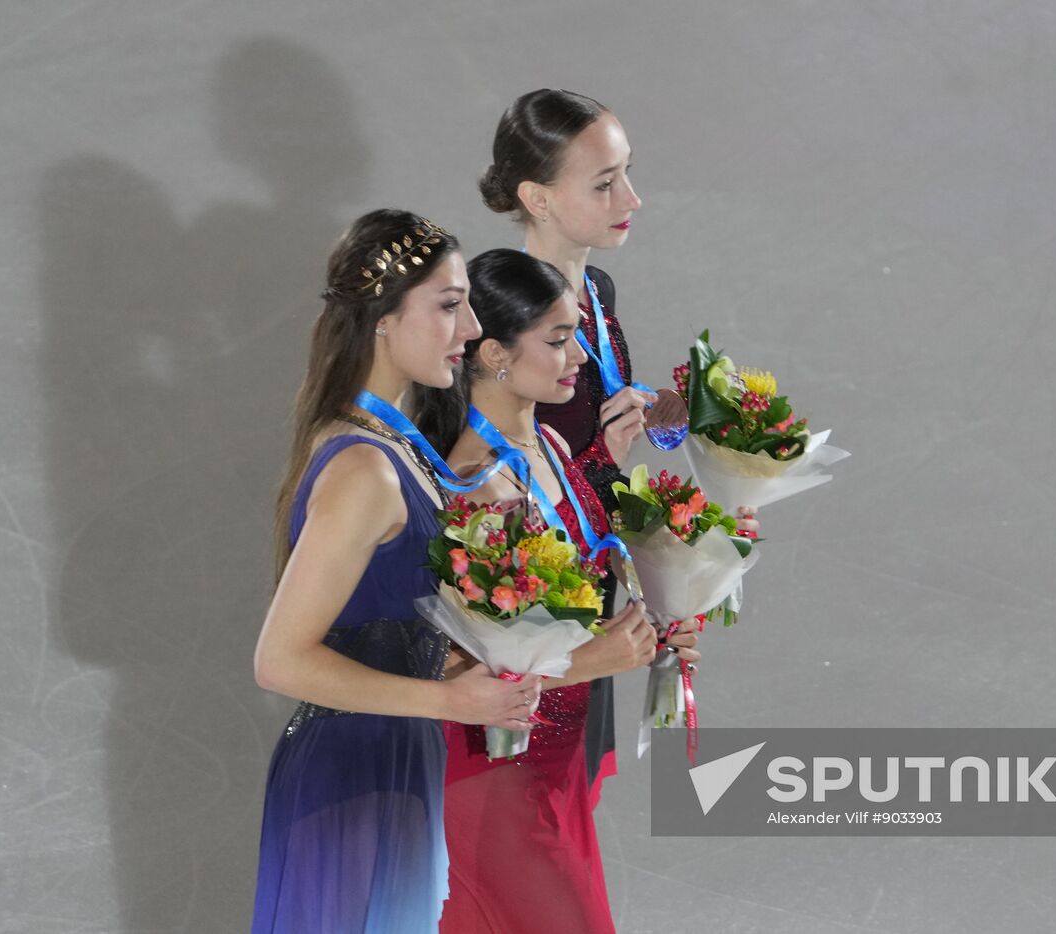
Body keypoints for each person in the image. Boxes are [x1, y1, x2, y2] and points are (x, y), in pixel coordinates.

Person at [249, 210, 541, 934]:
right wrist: (451, 703)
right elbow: (279, 660)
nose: (471, 327)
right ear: (384, 319)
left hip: (394, 767)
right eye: (448, 305)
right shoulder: (365, 469)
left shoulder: (391, 447)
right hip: (352, 781)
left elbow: (377, 627)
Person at [478, 90, 758, 793]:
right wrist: (607, 460)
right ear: (537, 199)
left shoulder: (595, 292)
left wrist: (674, 414)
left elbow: (592, 419)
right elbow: (492, 475)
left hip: (598, 592)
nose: (631, 196)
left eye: (625, 172)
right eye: (604, 183)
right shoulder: (503, 313)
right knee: (528, 805)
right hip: (539, 606)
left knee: (575, 797)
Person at [418, 248, 700, 933]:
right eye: (557, 339)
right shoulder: (474, 484)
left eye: (575, 332)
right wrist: (596, 660)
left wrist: (661, 618)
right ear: (491, 354)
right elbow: (452, 665)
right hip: (495, 778)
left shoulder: (555, 446)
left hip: (556, 763)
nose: (579, 358)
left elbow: (578, 592)